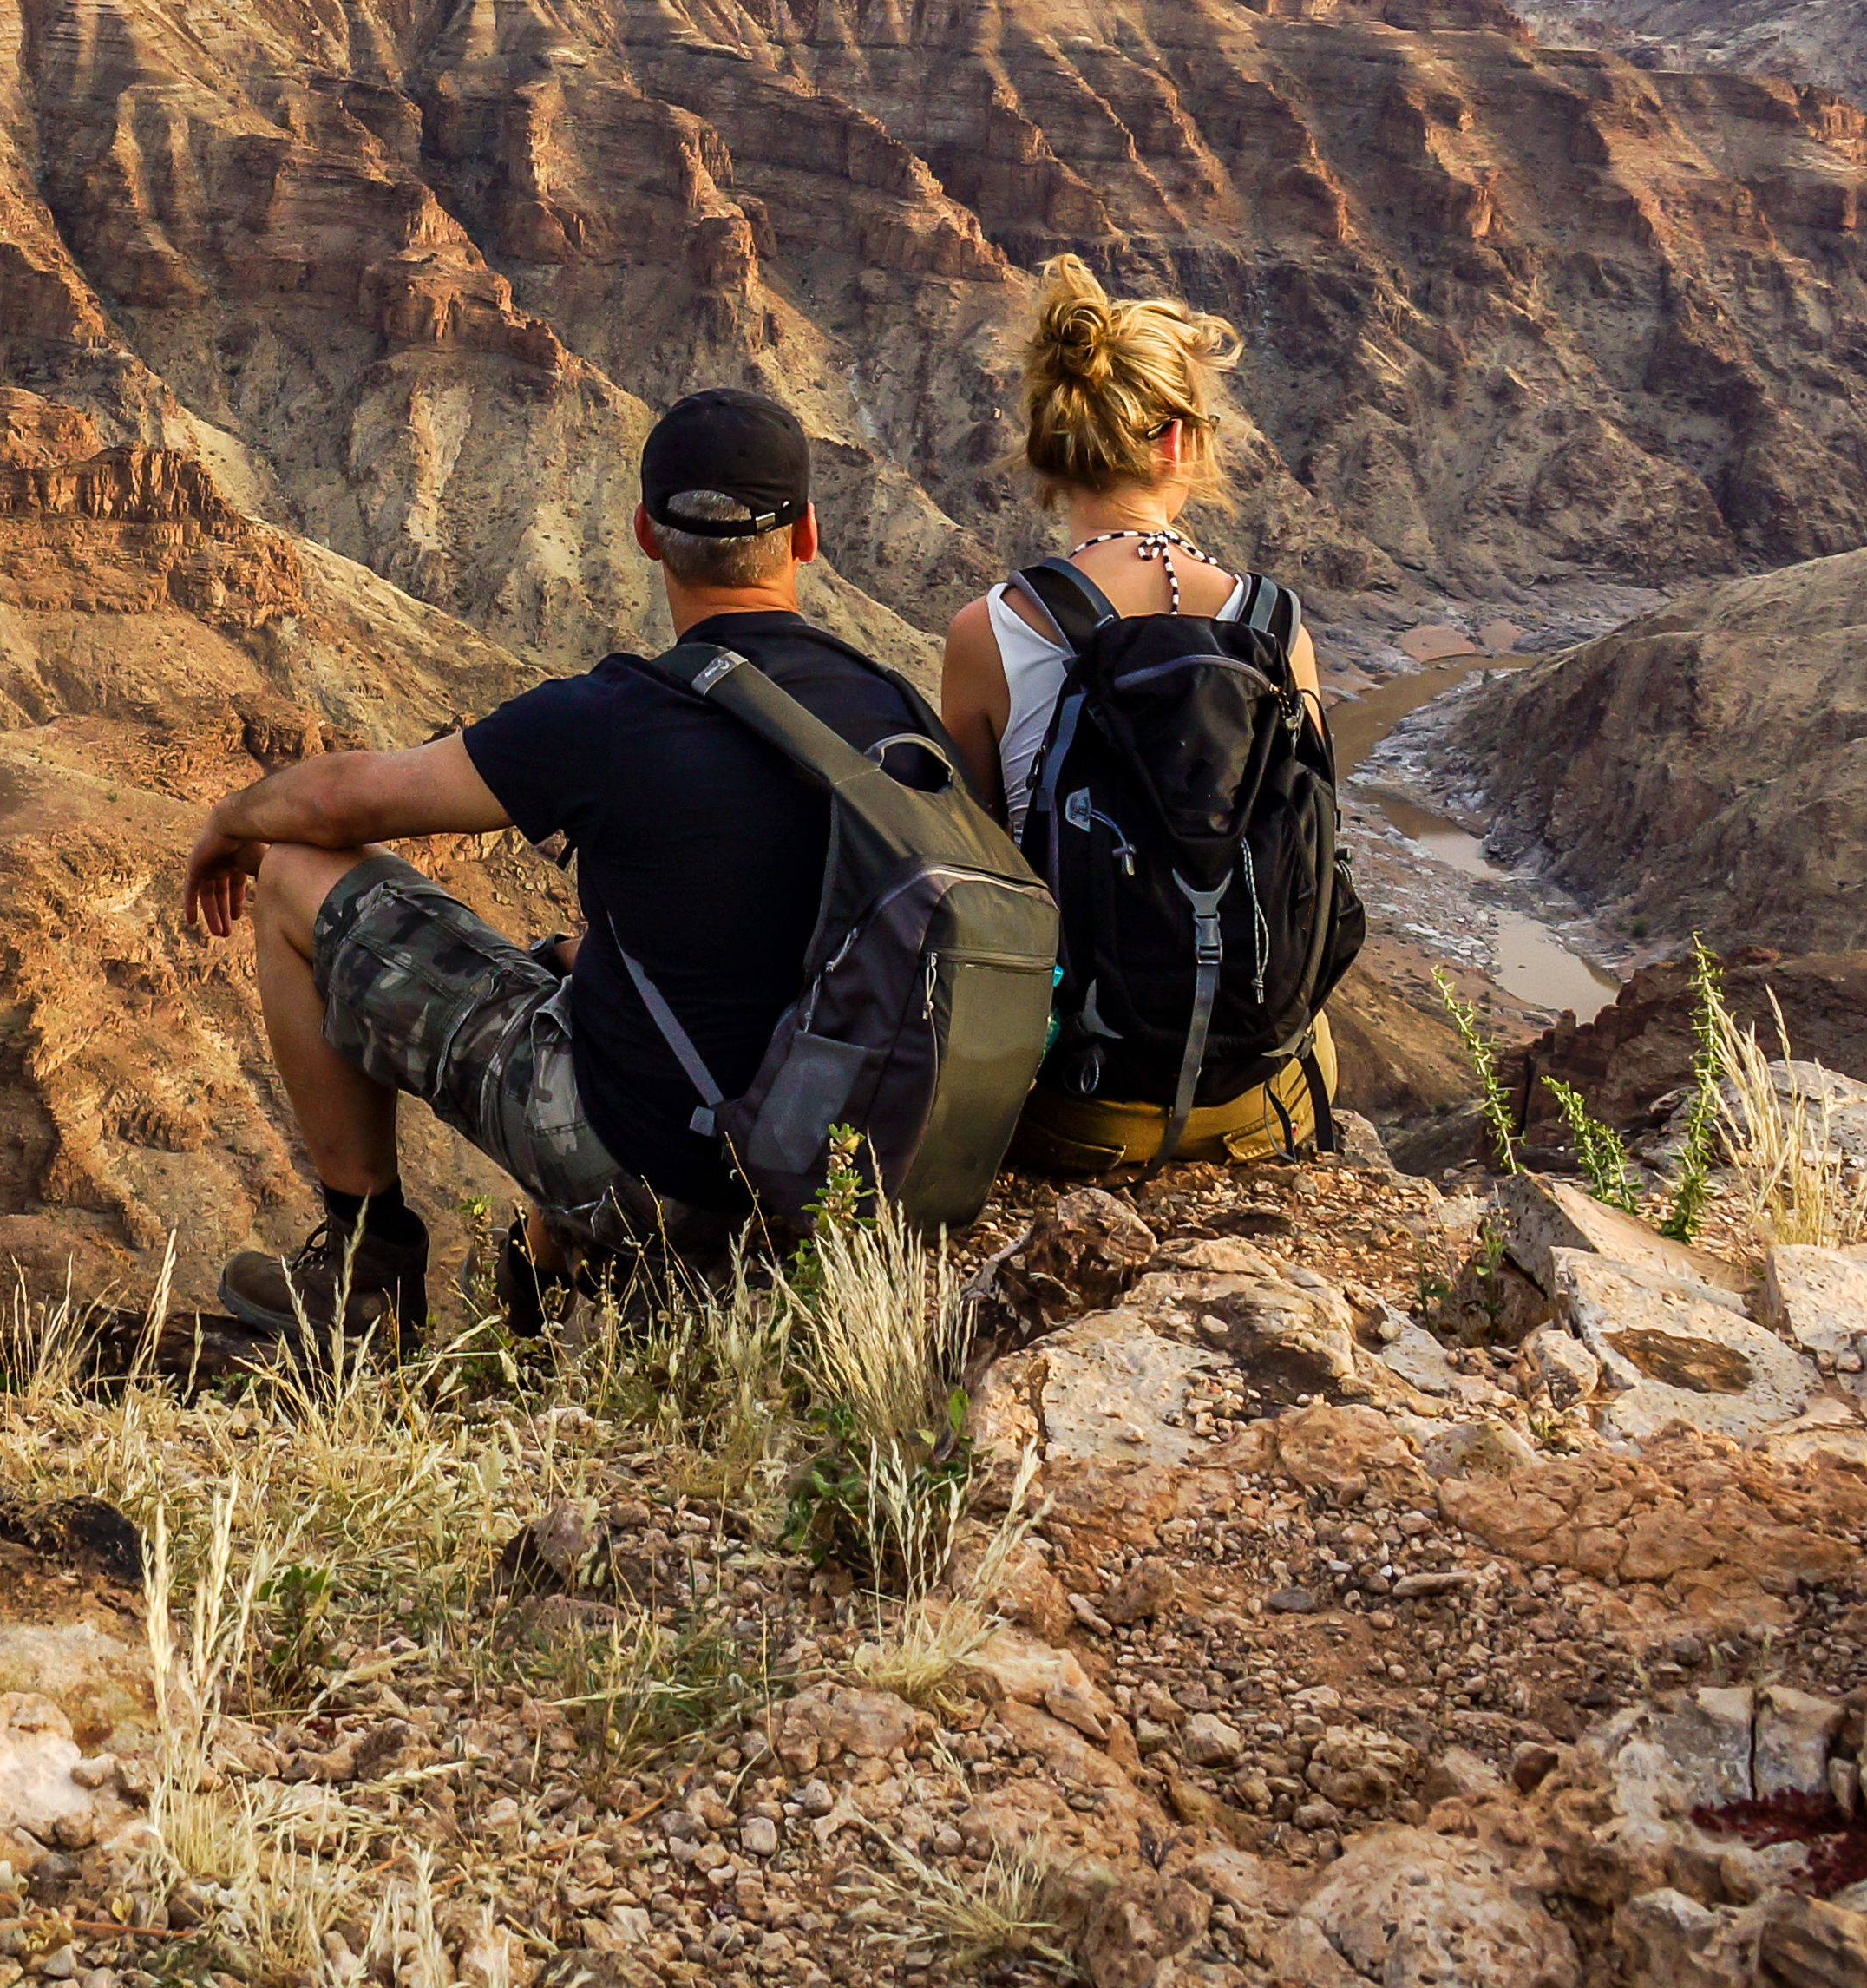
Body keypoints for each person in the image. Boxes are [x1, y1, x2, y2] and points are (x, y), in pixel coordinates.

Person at [180, 385, 945, 1345]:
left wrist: (234, 816)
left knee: (294, 873)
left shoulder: (612, 715)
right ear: (808, 536)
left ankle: (363, 1266)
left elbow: (348, 802)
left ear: (643, 534)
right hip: (844, 1174)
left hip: (655, 1168)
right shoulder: (900, 716)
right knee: (574, 957)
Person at [938, 259, 1344, 1174]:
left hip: (1080, 1116)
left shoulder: (989, 633)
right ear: (1177, 444)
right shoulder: (1275, 628)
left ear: (1052, 447)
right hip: (1256, 1101)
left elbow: (968, 876)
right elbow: (1316, 857)